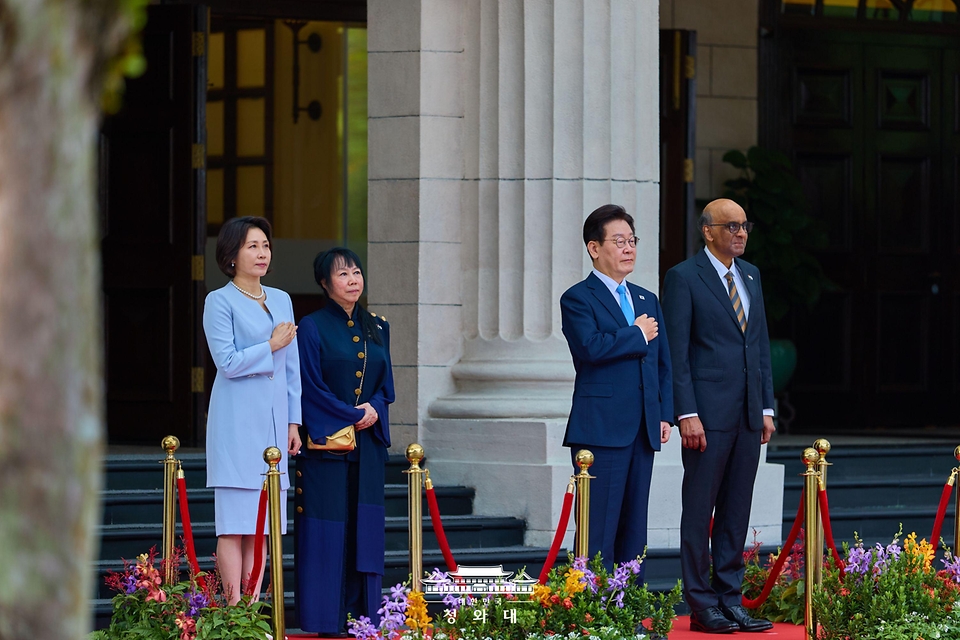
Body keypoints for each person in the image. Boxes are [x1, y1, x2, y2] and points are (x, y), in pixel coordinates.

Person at [662, 198, 776, 634]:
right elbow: (677, 352)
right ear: (707, 231)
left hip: (748, 414)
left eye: (745, 225)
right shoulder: (684, 277)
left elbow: (759, 346)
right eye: (731, 226)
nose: (740, 233)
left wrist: (766, 407)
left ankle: (730, 599)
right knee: (699, 510)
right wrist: (686, 412)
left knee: (735, 511)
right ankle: (701, 605)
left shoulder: (751, 275)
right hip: (706, 417)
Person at [559, 203, 673, 579]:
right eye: (619, 241)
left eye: (632, 241)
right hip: (601, 430)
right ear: (594, 248)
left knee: (634, 530)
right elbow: (590, 348)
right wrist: (636, 333)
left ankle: (629, 607)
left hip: (642, 428)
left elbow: (662, 363)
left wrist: (664, 413)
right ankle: (593, 605)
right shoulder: (578, 298)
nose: (628, 249)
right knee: (598, 529)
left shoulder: (646, 299)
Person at [294, 247, 395, 636]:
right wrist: (353, 414)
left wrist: (375, 409)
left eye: (356, 272)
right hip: (326, 448)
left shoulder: (379, 327)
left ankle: (362, 617)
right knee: (327, 531)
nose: (353, 280)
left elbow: (386, 387)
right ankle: (326, 620)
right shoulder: (312, 326)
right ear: (324, 283)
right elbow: (310, 387)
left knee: (363, 531)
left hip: (368, 447)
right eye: (342, 274)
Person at [203, 216, 302, 605]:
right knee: (233, 525)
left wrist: (293, 422)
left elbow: (291, 369)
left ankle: (251, 610)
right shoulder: (219, 301)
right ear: (232, 255)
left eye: (265, 246)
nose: (262, 253)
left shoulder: (281, 299)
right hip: (236, 425)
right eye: (252, 246)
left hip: (274, 427)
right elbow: (227, 362)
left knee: (262, 527)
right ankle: (232, 614)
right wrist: (270, 345)